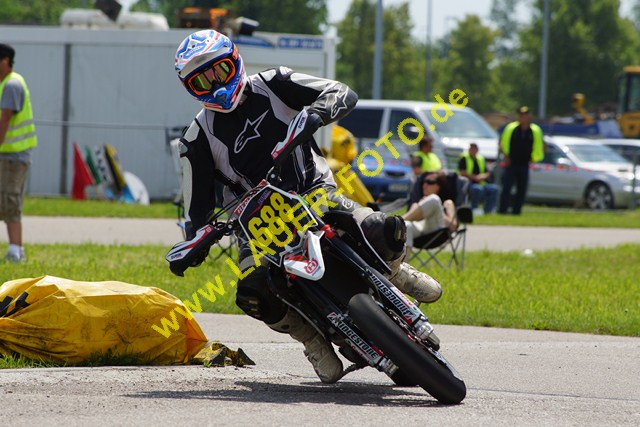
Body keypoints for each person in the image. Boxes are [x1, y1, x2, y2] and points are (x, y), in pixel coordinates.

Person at [171, 30, 441, 384]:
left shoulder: (275, 81)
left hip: (316, 192)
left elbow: (342, 92)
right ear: (190, 88)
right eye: (201, 81)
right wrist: (195, 242)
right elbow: (196, 210)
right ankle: (311, 339)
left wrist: (316, 114)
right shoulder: (195, 138)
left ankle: (395, 273)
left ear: (234, 61)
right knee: (252, 293)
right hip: (259, 228)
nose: (215, 85)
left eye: (218, 72)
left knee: (386, 228)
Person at [0, 43, 37, 263]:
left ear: (5, 60)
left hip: (14, 156)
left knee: (11, 200)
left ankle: (16, 251)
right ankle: (14, 249)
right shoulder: (4, 83)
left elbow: (6, 118)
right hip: (7, 154)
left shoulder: (12, 84)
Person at [498, 106, 544, 215]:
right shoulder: (511, 128)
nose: (523, 117)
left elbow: (539, 145)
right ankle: (502, 210)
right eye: (521, 115)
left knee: (521, 189)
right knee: (507, 187)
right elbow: (503, 143)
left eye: (525, 115)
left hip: (524, 163)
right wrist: (506, 157)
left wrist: (535, 158)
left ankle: (516, 211)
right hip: (511, 163)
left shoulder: (534, 130)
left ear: (529, 116)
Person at [403, 172, 457, 248]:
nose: (425, 185)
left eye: (430, 182)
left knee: (434, 199)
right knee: (406, 225)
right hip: (421, 231)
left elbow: (453, 226)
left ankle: (397, 221)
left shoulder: (447, 203)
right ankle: (403, 259)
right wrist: (420, 205)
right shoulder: (419, 201)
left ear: (438, 186)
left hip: (437, 234)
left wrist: (438, 209)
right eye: (424, 182)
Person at [457, 142, 499, 214]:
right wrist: (474, 177)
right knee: (477, 189)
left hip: (481, 182)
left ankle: (488, 211)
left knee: (494, 189)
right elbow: (462, 172)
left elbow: (488, 172)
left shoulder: (481, 159)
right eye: (472, 148)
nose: (473, 150)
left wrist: (481, 177)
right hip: (468, 182)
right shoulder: (464, 158)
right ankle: (474, 209)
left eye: (475, 148)